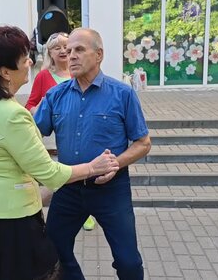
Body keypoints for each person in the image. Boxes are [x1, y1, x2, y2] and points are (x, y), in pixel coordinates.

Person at [0, 26, 119, 280]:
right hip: (8, 218)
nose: (31, 61)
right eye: (24, 59)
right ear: (5, 72)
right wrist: (93, 167)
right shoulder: (12, 115)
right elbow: (48, 173)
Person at [34, 28, 151, 280]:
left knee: (128, 261)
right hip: (68, 186)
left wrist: (114, 165)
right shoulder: (55, 95)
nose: (70, 55)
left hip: (111, 189)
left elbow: (143, 142)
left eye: (79, 50)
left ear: (98, 55)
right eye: (67, 51)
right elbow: (29, 132)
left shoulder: (123, 94)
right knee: (52, 252)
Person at [26, 31, 96, 231]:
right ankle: (35, 208)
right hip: (52, 136)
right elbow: (30, 104)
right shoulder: (43, 76)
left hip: (79, 132)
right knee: (60, 176)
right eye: (57, 48)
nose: (63, 51)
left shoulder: (79, 73)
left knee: (76, 173)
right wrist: (42, 110)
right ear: (50, 53)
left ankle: (85, 213)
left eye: (66, 46)